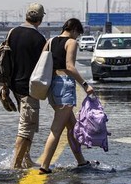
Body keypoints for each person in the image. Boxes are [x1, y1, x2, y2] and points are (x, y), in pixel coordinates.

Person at [38, 18, 95, 174]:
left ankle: (81, 161)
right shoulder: (71, 43)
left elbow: (42, 62)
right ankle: (44, 166)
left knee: (73, 128)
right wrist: (85, 85)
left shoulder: (50, 41)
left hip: (52, 86)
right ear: (75, 30)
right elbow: (70, 66)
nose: (77, 38)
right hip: (64, 85)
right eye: (78, 34)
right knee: (56, 129)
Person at [7, 3, 47, 169]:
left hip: (14, 86)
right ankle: (16, 165)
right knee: (27, 127)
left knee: (26, 123)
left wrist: (4, 86)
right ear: (41, 18)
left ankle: (26, 159)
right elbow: (43, 67)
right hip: (29, 89)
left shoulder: (12, 33)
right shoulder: (39, 39)